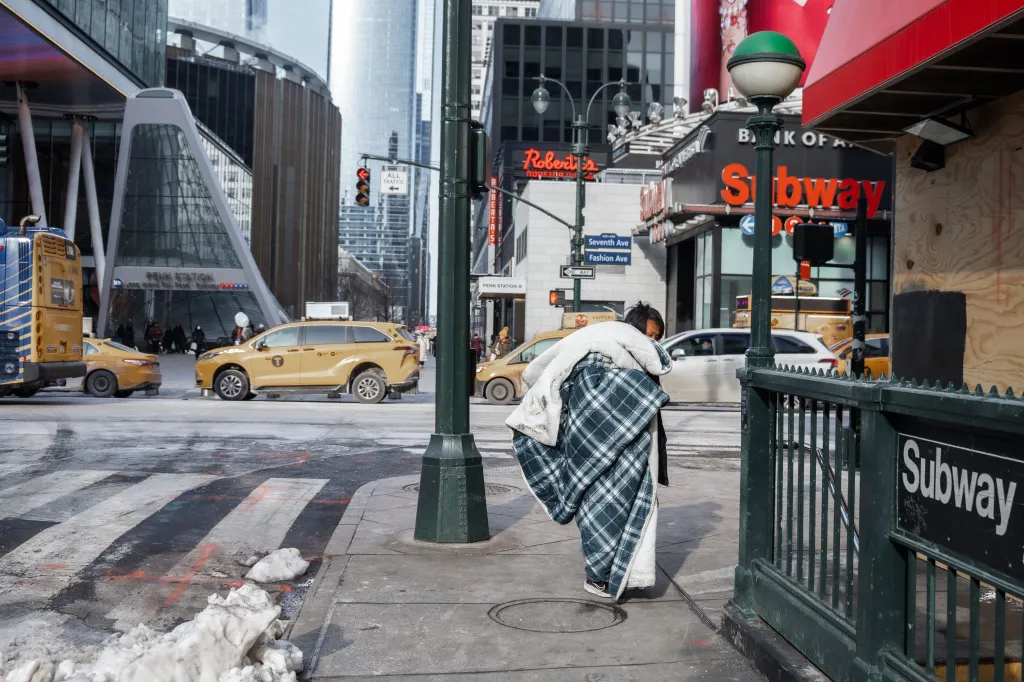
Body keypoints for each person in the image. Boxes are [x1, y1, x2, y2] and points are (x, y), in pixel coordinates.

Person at [506, 302, 671, 601]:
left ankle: (619, 573)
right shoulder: (600, 362)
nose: (653, 343)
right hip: (595, 458)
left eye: (658, 337)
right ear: (632, 332)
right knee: (601, 512)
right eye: (649, 335)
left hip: (627, 457)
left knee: (627, 512)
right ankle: (598, 576)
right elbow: (588, 409)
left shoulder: (633, 365)